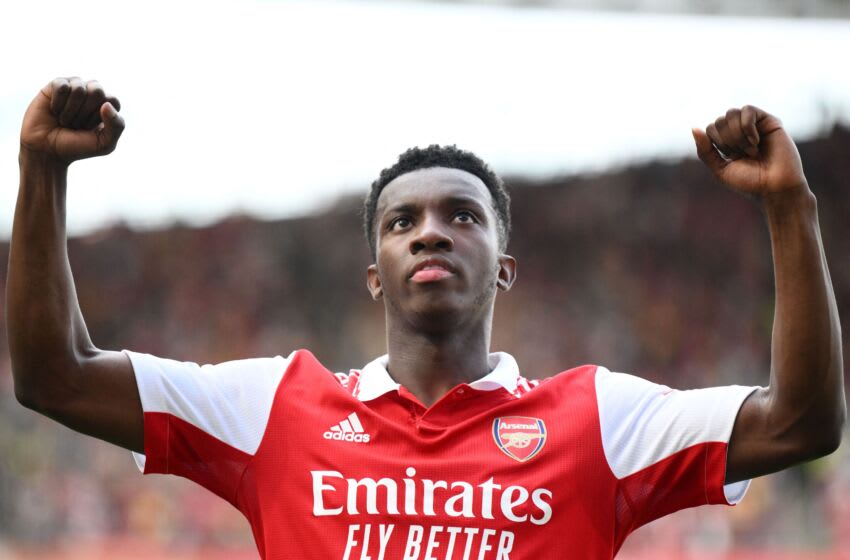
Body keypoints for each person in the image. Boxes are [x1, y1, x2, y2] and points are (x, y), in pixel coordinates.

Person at [8, 77, 845, 559]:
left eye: (463, 215)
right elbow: (56, 377)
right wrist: (42, 173)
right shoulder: (274, 407)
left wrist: (788, 207)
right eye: (402, 222)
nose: (432, 230)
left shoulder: (601, 419)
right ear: (376, 277)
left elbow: (802, 423)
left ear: (504, 269)